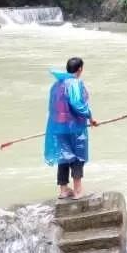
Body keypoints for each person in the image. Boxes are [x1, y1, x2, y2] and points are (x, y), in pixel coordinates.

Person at [44, 57, 98, 199]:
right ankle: (78, 191)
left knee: (63, 156)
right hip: (75, 129)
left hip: (59, 127)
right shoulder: (75, 83)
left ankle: (63, 190)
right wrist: (90, 117)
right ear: (80, 69)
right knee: (77, 157)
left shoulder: (56, 85)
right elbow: (77, 104)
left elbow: (52, 108)